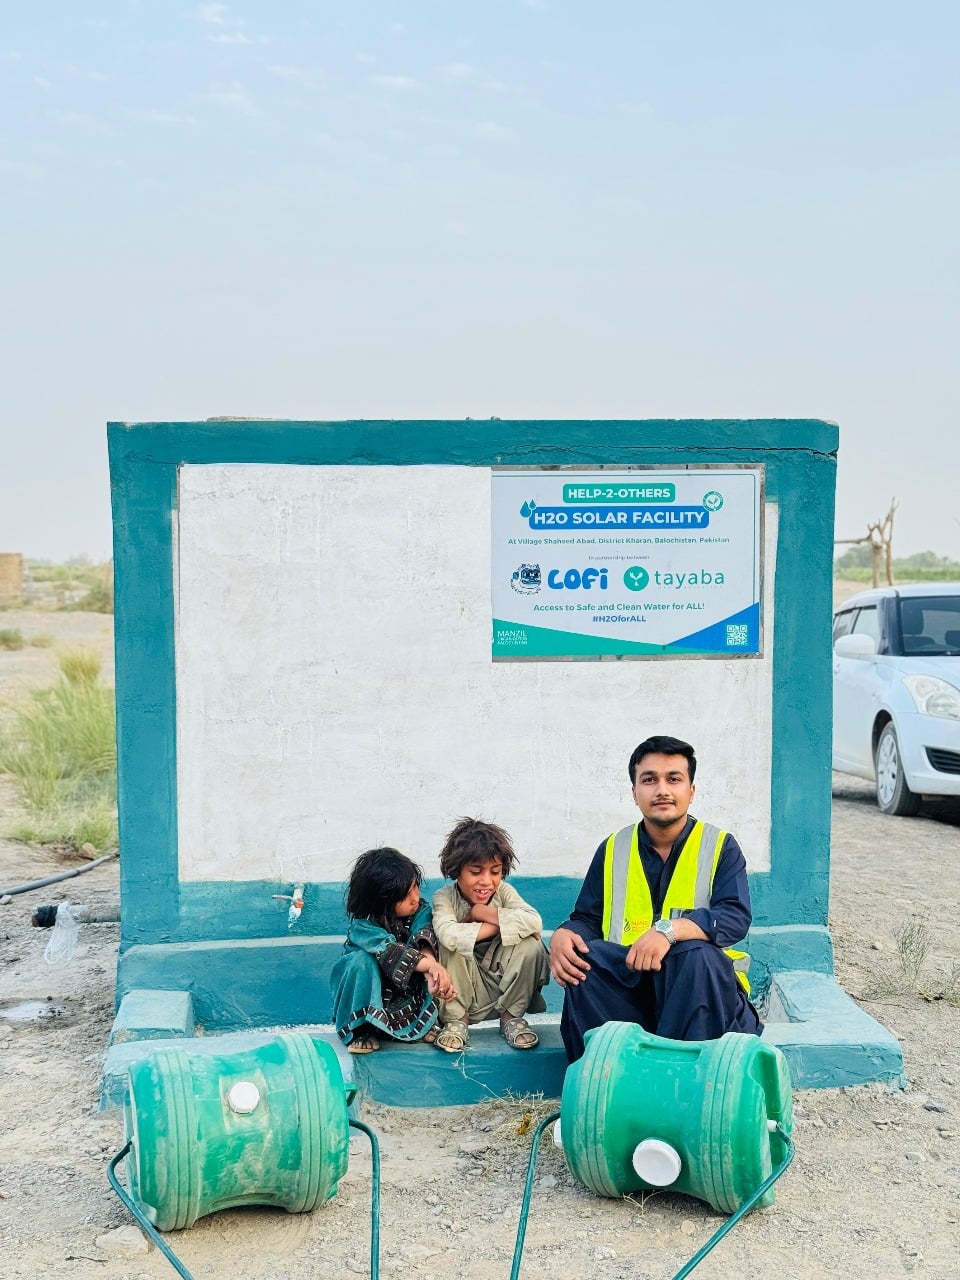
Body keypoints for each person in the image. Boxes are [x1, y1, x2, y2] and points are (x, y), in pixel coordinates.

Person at [549, 735, 762, 1062]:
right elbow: (588, 918)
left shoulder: (719, 845)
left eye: (673, 779)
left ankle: (690, 1080)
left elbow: (734, 916)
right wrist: (565, 933)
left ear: (691, 791)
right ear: (635, 793)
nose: (662, 789)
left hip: (702, 998)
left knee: (696, 957)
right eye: (649, 780)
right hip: (633, 992)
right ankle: (603, 1079)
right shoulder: (613, 848)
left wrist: (669, 931)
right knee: (585, 961)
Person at [431, 817, 551, 1052]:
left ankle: (511, 1018)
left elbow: (534, 921)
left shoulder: (504, 892)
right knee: (448, 945)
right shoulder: (444, 897)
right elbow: (449, 934)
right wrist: (499, 923)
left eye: (495, 872)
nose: (486, 881)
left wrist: (481, 912)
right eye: (476, 872)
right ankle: (457, 1021)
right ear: (457, 871)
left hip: (501, 983)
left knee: (531, 945)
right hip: (463, 987)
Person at [331, 847, 456, 1054]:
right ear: (381, 901)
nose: (415, 898)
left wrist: (432, 968)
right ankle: (362, 1030)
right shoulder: (364, 926)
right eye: (405, 896)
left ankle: (419, 1027)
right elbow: (390, 951)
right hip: (371, 992)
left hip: (403, 995)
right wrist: (429, 966)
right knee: (361, 961)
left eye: (415, 887)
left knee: (433, 955)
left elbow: (423, 938)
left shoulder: (420, 910)